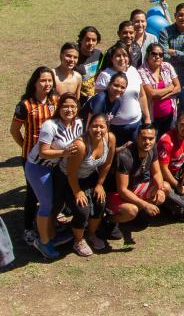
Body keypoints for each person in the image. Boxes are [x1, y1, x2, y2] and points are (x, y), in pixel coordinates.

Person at [24, 92, 83, 259]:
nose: (69, 110)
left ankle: (51, 230)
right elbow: (43, 152)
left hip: (56, 167)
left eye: (72, 106)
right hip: (39, 167)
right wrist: (63, 152)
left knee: (57, 201)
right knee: (46, 204)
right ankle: (43, 242)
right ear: (59, 108)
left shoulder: (78, 123)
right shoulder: (50, 125)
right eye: (65, 106)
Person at [11, 66, 58, 246]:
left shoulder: (55, 100)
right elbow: (14, 130)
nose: (46, 84)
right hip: (31, 158)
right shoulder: (25, 105)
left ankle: (49, 221)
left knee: (50, 188)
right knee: (32, 192)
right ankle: (28, 229)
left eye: (49, 80)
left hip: (53, 156)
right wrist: (26, 146)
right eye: (42, 81)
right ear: (35, 83)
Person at [63, 113, 116, 256]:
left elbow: (107, 163)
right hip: (69, 179)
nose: (98, 130)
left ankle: (91, 234)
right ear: (88, 127)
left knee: (100, 202)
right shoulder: (80, 145)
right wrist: (77, 192)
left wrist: (100, 184)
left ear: (107, 128)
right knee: (82, 209)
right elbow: (71, 173)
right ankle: (78, 241)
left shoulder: (110, 139)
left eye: (101, 127)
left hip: (90, 176)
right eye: (94, 126)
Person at [107, 125, 167, 239]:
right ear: (137, 137)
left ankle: (139, 215)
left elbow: (156, 173)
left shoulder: (152, 149)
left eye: (151, 138)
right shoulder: (125, 156)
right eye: (144, 138)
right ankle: (108, 221)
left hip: (135, 188)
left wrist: (159, 188)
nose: (147, 142)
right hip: (114, 193)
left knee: (165, 188)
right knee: (131, 210)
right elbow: (122, 190)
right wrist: (145, 204)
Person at [94, 44, 150, 146]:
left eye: (125, 55)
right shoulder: (105, 75)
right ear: (112, 58)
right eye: (118, 56)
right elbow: (99, 104)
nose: (122, 58)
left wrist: (147, 118)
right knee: (115, 157)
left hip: (136, 124)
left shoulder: (133, 70)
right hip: (114, 127)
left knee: (135, 155)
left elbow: (141, 96)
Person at [139, 42, 181, 134]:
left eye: (161, 55)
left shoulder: (167, 66)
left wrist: (162, 97)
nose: (158, 57)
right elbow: (151, 93)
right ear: (147, 54)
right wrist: (170, 88)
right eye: (154, 54)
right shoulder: (141, 71)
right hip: (153, 118)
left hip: (170, 114)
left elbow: (178, 87)